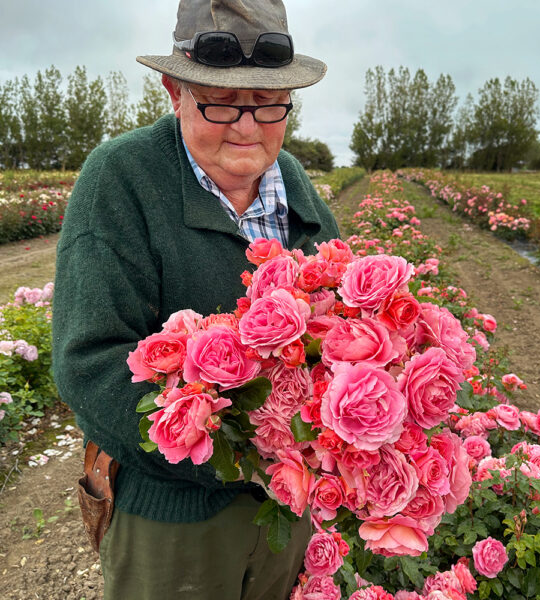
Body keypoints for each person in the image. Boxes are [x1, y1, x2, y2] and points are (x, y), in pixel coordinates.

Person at [52, 0, 339, 598]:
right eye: (220, 103)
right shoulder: (123, 178)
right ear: (173, 90)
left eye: (267, 103)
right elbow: (90, 362)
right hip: (174, 515)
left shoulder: (294, 180)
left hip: (285, 512)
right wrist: (243, 453)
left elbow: (339, 324)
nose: (247, 126)